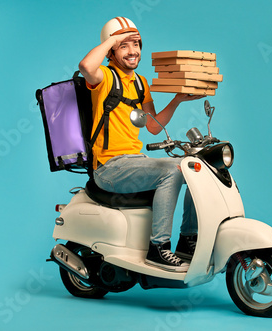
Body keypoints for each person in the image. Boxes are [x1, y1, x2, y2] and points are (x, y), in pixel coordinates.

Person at [78, 17, 202, 272]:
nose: (133, 51)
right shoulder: (104, 78)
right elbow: (86, 66)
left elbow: (154, 126)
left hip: (134, 162)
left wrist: (177, 99)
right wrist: (113, 38)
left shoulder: (140, 83)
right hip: (109, 167)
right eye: (124, 46)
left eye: (136, 44)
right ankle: (159, 248)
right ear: (111, 51)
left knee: (194, 167)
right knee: (172, 170)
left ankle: (188, 240)